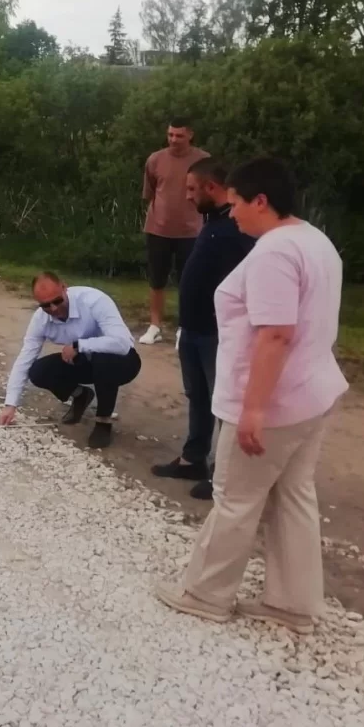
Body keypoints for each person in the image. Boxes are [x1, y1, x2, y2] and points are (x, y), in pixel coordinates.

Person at [156, 159, 347, 635]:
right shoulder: (314, 240)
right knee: (293, 495)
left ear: (261, 200)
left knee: (235, 498)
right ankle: (294, 603)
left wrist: (254, 408)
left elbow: (275, 334)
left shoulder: (274, 253)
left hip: (276, 402)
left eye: (237, 202)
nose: (233, 212)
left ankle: (205, 594)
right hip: (314, 392)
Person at [151, 158, 254, 500]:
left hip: (217, 332)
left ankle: (224, 473)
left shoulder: (237, 227)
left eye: (192, 189)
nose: (188, 196)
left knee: (222, 402)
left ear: (212, 187)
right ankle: (193, 458)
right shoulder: (212, 222)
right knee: (197, 395)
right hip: (193, 328)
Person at [0, 273, 142, 449]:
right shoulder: (40, 319)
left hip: (122, 362)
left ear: (65, 288)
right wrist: (10, 404)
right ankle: (81, 395)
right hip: (83, 362)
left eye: (57, 301)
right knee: (38, 371)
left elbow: (122, 343)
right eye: (45, 305)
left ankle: (103, 421)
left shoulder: (94, 300)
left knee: (103, 358)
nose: (53, 308)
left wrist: (79, 345)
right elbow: (25, 358)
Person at [140, 117, 209, 346]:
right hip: (158, 229)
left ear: (190, 135)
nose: (173, 139)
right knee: (156, 280)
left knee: (188, 282)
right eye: (170, 134)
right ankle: (155, 326)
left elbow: (210, 194)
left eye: (179, 135)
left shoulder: (203, 160)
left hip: (191, 231)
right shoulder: (155, 159)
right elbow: (150, 192)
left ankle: (184, 328)